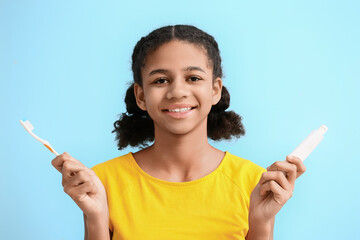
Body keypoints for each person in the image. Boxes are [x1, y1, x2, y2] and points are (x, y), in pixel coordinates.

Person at [51, 24, 306, 240]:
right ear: (140, 96)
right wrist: (94, 217)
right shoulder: (102, 182)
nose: (177, 92)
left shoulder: (253, 182)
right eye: (160, 80)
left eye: (193, 78)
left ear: (215, 90)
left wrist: (261, 223)